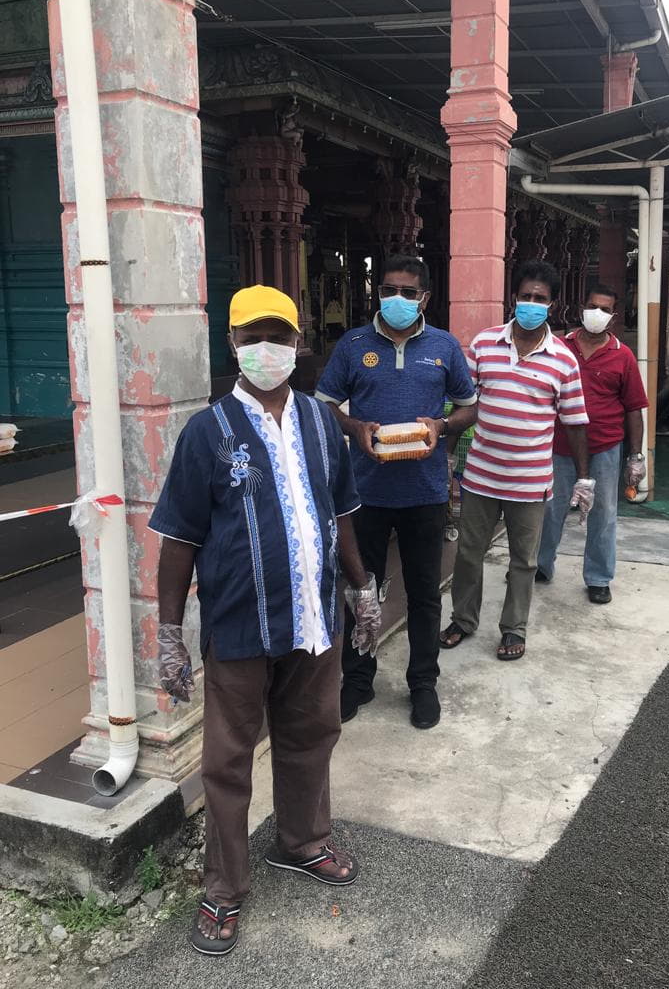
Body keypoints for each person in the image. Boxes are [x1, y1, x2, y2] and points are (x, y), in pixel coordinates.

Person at [151, 285, 382, 957]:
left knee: (313, 733)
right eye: (252, 338)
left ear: (298, 343)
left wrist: (362, 588)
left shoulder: (320, 421)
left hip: (314, 619)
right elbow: (179, 539)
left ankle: (302, 841)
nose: (266, 349)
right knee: (227, 762)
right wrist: (168, 634)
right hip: (240, 625)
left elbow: (341, 513)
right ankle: (224, 887)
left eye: (278, 337)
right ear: (232, 345)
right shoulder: (207, 432)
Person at [315, 254, 477, 730]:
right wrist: (354, 427)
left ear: (424, 297)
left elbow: (470, 407)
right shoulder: (353, 345)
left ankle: (422, 683)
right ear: (378, 293)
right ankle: (358, 679)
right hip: (365, 493)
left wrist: (441, 425)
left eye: (408, 292)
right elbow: (324, 405)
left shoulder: (444, 346)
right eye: (389, 290)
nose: (397, 299)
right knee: (360, 589)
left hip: (425, 493)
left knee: (424, 594)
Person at [440, 259, 593, 661]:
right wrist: (446, 456)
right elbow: (464, 404)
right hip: (481, 475)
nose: (531, 304)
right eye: (526, 296)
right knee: (469, 553)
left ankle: (513, 628)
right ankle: (463, 619)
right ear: (513, 298)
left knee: (524, 560)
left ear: (552, 305)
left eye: (540, 299)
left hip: (530, 480)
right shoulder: (484, 344)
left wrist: (584, 478)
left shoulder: (564, 359)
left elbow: (575, 422)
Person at [536, 282, 648, 604]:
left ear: (613, 316)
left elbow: (634, 409)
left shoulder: (622, 356)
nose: (596, 313)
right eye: (592, 307)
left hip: (604, 448)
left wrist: (636, 456)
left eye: (604, 309)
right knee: (550, 508)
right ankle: (540, 564)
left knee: (603, 513)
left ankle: (599, 578)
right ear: (581, 309)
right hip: (560, 446)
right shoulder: (558, 348)